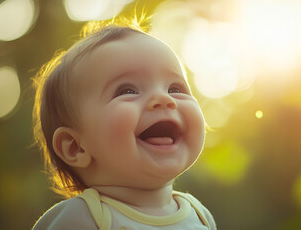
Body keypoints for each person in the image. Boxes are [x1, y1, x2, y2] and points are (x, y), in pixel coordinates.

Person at [31, 19, 216, 230]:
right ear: (76, 146)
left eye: (175, 88)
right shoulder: (83, 218)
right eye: (127, 91)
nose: (164, 98)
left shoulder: (199, 215)